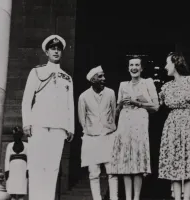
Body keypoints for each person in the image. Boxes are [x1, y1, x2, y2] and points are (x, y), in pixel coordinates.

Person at [22, 34, 74, 200]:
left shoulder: (67, 78)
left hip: (59, 127)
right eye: (53, 48)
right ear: (47, 52)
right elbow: (27, 99)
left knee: (52, 168)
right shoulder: (37, 72)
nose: (56, 51)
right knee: (37, 166)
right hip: (39, 124)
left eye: (59, 49)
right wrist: (27, 123)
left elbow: (69, 104)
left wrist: (70, 127)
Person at [110, 55, 159, 200]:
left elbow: (155, 107)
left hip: (140, 124)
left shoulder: (148, 83)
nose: (134, 68)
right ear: (128, 68)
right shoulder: (123, 85)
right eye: (131, 65)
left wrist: (137, 103)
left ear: (142, 68)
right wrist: (120, 104)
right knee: (126, 160)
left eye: (137, 65)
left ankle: (136, 198)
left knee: (137, 160)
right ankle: (127, 197)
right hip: (125, 124)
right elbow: (117, 111)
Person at [78, 66, 118, 200]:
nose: (103, 79)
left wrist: (109, 129)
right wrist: (91, 131)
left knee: (112, 172)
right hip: (92, 138)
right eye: (100, 76)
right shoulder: (83, 96)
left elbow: (113, 114)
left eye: (104, 76)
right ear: (92, 79)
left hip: (108, 136)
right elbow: (82, 119)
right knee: (93, 173)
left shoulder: (111, 93)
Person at [158, 52, 190, 200]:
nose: (165, 67)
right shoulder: (166, 87)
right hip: (172, 126)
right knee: (174, 163)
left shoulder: (189, 82)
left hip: (188, 124)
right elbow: (156, 106)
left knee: (188, 162)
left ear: (175, 64)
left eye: (167, 63)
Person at [4, 126, 28, 200]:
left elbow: (30, 159)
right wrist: (7, 170)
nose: (16, 136)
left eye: (18, 134)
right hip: (12, 171)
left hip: (22, 171)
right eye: (15, 134)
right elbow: (7, 159)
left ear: (21, 135)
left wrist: (28, 170)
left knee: (21, 193)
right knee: (12, 193)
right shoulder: (10, 145)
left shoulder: (27, 145)